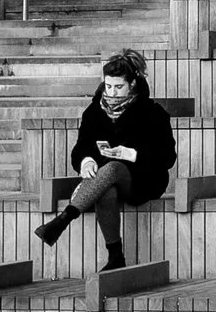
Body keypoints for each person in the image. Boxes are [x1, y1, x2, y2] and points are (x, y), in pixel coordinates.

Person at [35, 50, 177, 270]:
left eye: (118, 87)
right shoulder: (94, 111)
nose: (112, 92)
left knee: (112, 168)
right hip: (106, 180)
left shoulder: (153, 112)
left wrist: (132, 154)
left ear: (132, 84)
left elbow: (168, 157)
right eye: (108, 86)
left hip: (144, 179)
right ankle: (115, 257)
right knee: (106, 190)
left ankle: (64, 219)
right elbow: (80, 149)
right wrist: (86, 162)